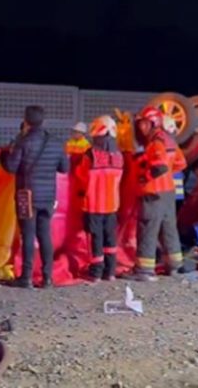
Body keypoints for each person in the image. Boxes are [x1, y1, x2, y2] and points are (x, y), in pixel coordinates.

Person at [2, 105, 69, 288]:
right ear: (43, 120)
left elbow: (11, 167)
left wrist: (8, 153)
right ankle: (47, 277)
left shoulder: (23, 141)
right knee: (45, 235)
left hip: (27, 197)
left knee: (28, 235)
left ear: (26, 120)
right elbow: (65, 168)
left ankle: (27, 277)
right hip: (48, 197)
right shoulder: (56, 142)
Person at [133, 106, 187, 281]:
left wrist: (145, 177)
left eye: (143, 123)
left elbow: (160, 166)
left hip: (154, 192)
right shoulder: (169, 140)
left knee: (148, 228)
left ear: (153, 122)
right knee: (168, 228)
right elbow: (180, 163)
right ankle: (174, 266)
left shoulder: (156, 142)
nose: (141, 127)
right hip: (168, 191)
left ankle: (144, 270)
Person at [75, 115, 124, 282]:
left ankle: (95, 273)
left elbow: (81, 176)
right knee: (110, 239)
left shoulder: (91, 154)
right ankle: (110, 272)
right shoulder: (119, 155)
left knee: (95, 239)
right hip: (112, 205)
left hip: (93, 204)